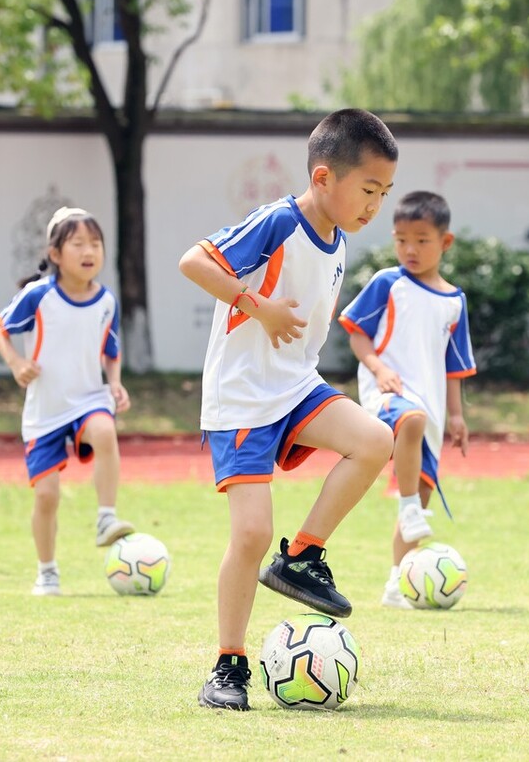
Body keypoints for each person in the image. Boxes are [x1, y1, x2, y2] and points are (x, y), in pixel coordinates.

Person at [179, 108, 398, 710]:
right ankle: (228, 667)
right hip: (242, 397)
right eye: (368, 190)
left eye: (384, 193)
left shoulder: (341, 239)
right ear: (324, 177)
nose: (375, 204)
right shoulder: (279, 220)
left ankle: (302, 556)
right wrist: (259, 306)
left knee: (376, 440)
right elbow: (194, 262)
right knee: (249, 535)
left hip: (296, 387)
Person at [338, 190, 476, 609]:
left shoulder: (455, 302)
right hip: (386, 395)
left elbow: (455, 366)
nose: (409, 249)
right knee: (411, 419)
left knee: (419, 496)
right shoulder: (388, 282)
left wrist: (456, 416)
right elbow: (357, 333)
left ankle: (398, 584)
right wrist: (379, 370)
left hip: (432, 411)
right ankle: (411, 506)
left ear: (445, 242)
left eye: (421, 240)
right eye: (401, 240)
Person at [0, 207, 135, 597]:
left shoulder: (107, 302)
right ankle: (47, 571)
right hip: (45, 412)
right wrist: (16, 362)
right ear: (55, 254)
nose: (89, 251)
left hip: (89, 399)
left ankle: (106, 518)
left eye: (96, 243)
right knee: (47, 496)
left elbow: (112, 349)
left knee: (104, 430)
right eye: (78, 243)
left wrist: (115, 383)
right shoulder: (38, 294)